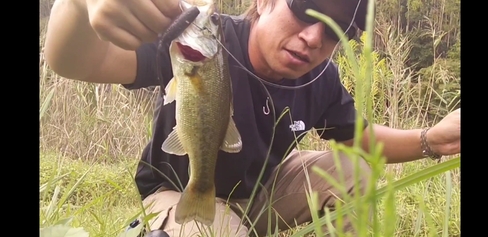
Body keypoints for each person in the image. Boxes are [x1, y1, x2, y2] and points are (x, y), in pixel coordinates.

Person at [43, 0, 461, 236]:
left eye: (335, 30)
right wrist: (80, 5)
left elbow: (364, 142)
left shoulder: (320, 77)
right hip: (179, 188)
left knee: (357, 172)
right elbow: (79, 61)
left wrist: (435, 139)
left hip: (260, 192)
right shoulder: (198, 41)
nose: (314, 38)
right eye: (305, 10)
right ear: (264, 2)